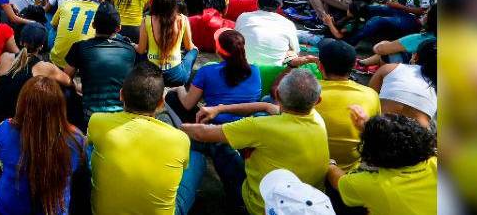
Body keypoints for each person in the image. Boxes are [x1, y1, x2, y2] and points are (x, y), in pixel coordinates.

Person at [180, 68, 330, 215]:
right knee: (260, 112)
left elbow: (202, 133)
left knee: (218, 144)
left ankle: (238, 204)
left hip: (261, 207)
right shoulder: (316, 117)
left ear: (278, 95)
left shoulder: (261, 126)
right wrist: (220, 109)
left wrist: (172, 127)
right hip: (305, 205)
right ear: (317, 101)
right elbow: (267, 106)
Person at [89, 64, 201, 215]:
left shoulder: (97, 121)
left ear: (121, 95)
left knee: (90, 146)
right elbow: (183, 168)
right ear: (161, 103)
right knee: (197, 158)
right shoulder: (180, 139)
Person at [0, 76, 85, 215]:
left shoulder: (6, 129)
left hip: (8, 209)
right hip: (55, 210)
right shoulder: (76, 138)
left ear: (22, 103)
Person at [327, 114, 436, 215]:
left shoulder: (372, 184)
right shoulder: (435, 162)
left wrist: (330, 164)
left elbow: (338, 181)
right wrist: (369, 130)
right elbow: (400, 141)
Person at [310, 39, 381, 173]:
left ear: (320, 66)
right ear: (354, 65)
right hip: (348, 168)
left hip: (309, 165)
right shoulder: (371, 95)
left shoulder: (306, 91)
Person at [65, 3, 135, 123]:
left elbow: (66, 78)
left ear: (93, 25)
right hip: (120, 116)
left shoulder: (79, 47)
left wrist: (77, 87)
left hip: (90, 115)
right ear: (118, 28)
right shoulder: (129, 50)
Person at [368, 39, 437, 129]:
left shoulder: (389, 68)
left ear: (415, 56)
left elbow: (369, 97)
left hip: (379, 127)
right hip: (416, 138)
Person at [138, 0, 197, 87]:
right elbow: (189, 47)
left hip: (151, 75)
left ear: (155, 4)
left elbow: (141, 50)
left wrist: (133, 45)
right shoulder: (183, 19)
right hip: (176, 77)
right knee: (194, 51)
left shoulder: (146, 21)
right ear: (173, 3)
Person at [234, 0, 299, 66]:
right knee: (292, 53)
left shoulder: (243, 17)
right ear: (280, 5)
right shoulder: (288, 24)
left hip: (244, 69)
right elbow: (296, 50)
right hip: (275, 73)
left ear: (257, 3)